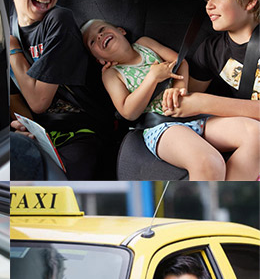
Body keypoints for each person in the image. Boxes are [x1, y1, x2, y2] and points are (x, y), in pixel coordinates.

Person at [81, 19, 260, 180]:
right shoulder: (112, 74)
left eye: (102, 29)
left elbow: (180, 62)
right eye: (92, 41)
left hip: (191, 114)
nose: (100, 36)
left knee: (255, 133)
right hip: (161, 126)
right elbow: (128, 112)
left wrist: (178, 92)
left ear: (121, 30)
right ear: (99, 60)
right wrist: (152, 77)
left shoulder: (144, 44)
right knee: (209, 162)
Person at [9, 0, 113, 180]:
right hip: (39, 130)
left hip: (79, 130)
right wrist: (20, 125)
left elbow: (38, 102)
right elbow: (15, 97)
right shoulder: (6, 24)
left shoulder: (59, 21)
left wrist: (13, 52)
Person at [163, 0, 259, 121]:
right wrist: (176, 95)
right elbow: (188, 96)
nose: (209, 5)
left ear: (250, 0)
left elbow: (199, 101)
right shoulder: (211, 50)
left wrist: (204, 103)